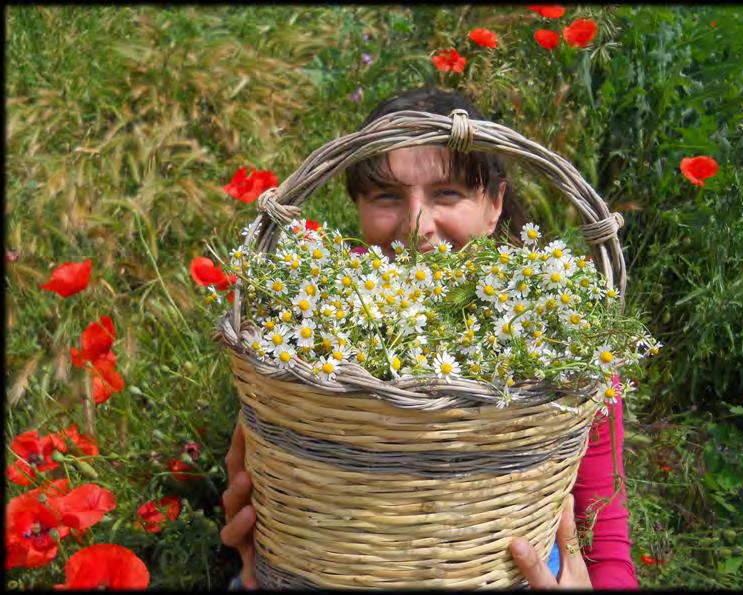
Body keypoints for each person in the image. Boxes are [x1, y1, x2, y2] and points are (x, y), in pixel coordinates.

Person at [220, 86, 638, 590]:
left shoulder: (562, 342)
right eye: (387, 196)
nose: (418, 226)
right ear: (356, 206)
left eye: (448, 194)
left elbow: (606, 536)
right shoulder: (314, 328)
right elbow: (273, 484)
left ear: (495, 204)